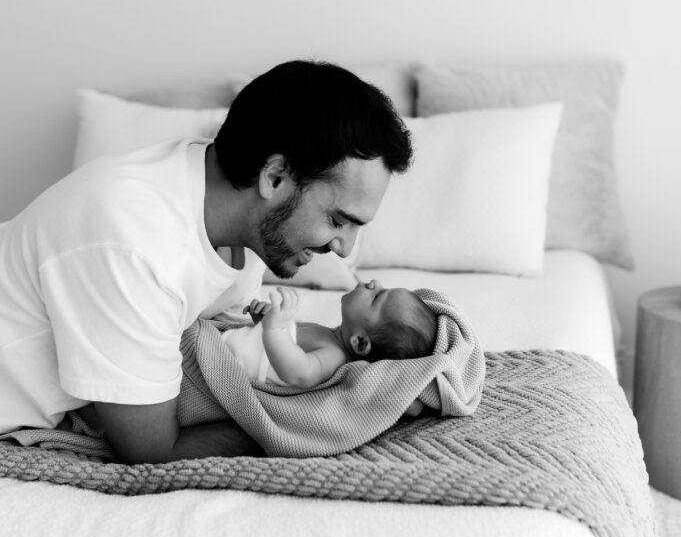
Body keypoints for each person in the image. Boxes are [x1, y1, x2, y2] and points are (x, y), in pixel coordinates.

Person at [0, 60, 412, 464]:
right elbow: (150, 451)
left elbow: (225, 351)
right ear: (274, 177)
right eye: (338, 220)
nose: (345, 250)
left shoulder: (239, 224)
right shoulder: (134, 243)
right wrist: (306, 423)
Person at [243, 279, 437, 388]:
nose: (375, 283)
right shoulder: (328, 335)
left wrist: (275, 329)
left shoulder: (333, 356)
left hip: (228, 366)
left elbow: (298, 373)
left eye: (377, 296)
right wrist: (264, 322)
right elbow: (279, 348)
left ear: (360, 342)